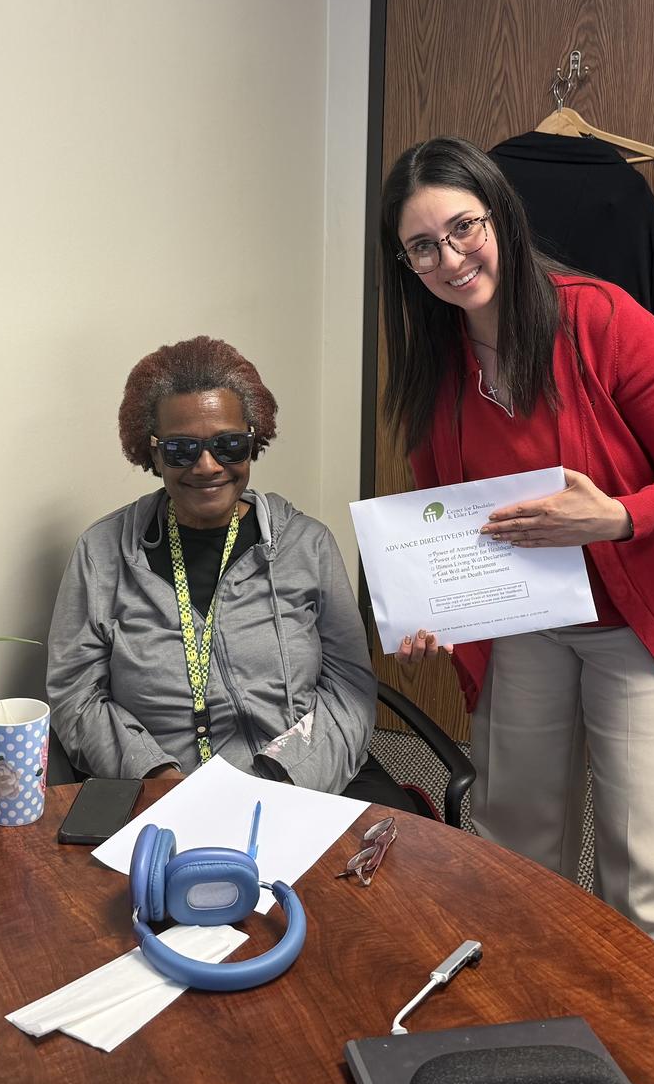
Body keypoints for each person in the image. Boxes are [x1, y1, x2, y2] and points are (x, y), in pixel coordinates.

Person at [380, 136, 654, 983]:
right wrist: (430, 607)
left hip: (635, 627)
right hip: (525, 625)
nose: (450, 258)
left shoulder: (601, 320)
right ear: (405, 262)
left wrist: (616, 517)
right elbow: (444, 515)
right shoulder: (437, 359)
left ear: (499, 213)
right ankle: (523, 1026)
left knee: (646, 869)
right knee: (516, 849)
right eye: (422, 246)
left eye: (463, 228)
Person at [47, 336, 418, 811]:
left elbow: (349, 686)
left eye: (228, 445)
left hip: (300, 776)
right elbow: (76, 694)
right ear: (152, 452)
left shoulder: (308, 545)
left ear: (252, 441)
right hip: (163, 789)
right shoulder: (101, 554)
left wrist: (289, 780)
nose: (207, 466)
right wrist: (153, 774)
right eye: (181, 449)